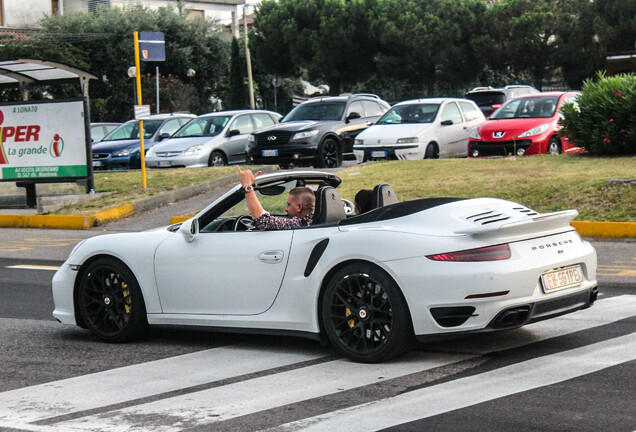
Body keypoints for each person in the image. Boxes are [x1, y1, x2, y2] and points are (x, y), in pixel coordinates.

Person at [236, 166, 315, 230]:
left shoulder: (300, 224)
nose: (285, 209)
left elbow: (262, 221)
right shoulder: (314, 221)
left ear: (299, 207)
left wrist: (248, 188)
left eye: (289, 205)